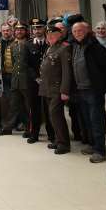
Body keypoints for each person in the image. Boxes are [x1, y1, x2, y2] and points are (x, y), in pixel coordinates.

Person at [71, 22, 106, 163]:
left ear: (87, 31)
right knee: (87, 121)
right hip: (80, 89)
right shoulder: (75, 46)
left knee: (97, 121)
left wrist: (99, 84)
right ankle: (92, 144)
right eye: (75, 31)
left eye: (80, 30)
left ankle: (100, 151)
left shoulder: (96, 48)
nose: (77, 33)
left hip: (93, 91)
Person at [0, 23, 35, 137]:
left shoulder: (30, 44)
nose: (18, 32)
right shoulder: (12, 45)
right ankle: (8, 128)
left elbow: (33, 64)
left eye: (21, 30)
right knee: (14, 105)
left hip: (27, 81)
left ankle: (30, 129)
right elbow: (11, 64)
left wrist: (35, 78)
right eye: (17, 30)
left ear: (25, 31)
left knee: (28, 107)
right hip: (15, 80)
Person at [39, 25, 72, 155]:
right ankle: (59, 140)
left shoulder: (64, 48)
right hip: (47, 87)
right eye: (48, 35)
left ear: (60, 34)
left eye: (53, 35)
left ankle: (64, 144)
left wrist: (65, 90)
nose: (50, 37)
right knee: (52, 116)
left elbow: (67, 72)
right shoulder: (50, 47)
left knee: (56, 116)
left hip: (57, 89)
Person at [27, 18, 52, 144]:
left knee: (49, 109)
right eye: (35, 28)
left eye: (39, 28)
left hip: (49, 82)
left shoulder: (50, 43)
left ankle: (52, 135)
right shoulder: (28, 44)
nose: (37, 30)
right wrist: (35, 77)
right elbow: (27, 64)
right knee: (34, 108)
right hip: (34, 82)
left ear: (44, 29)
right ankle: (34, 134)